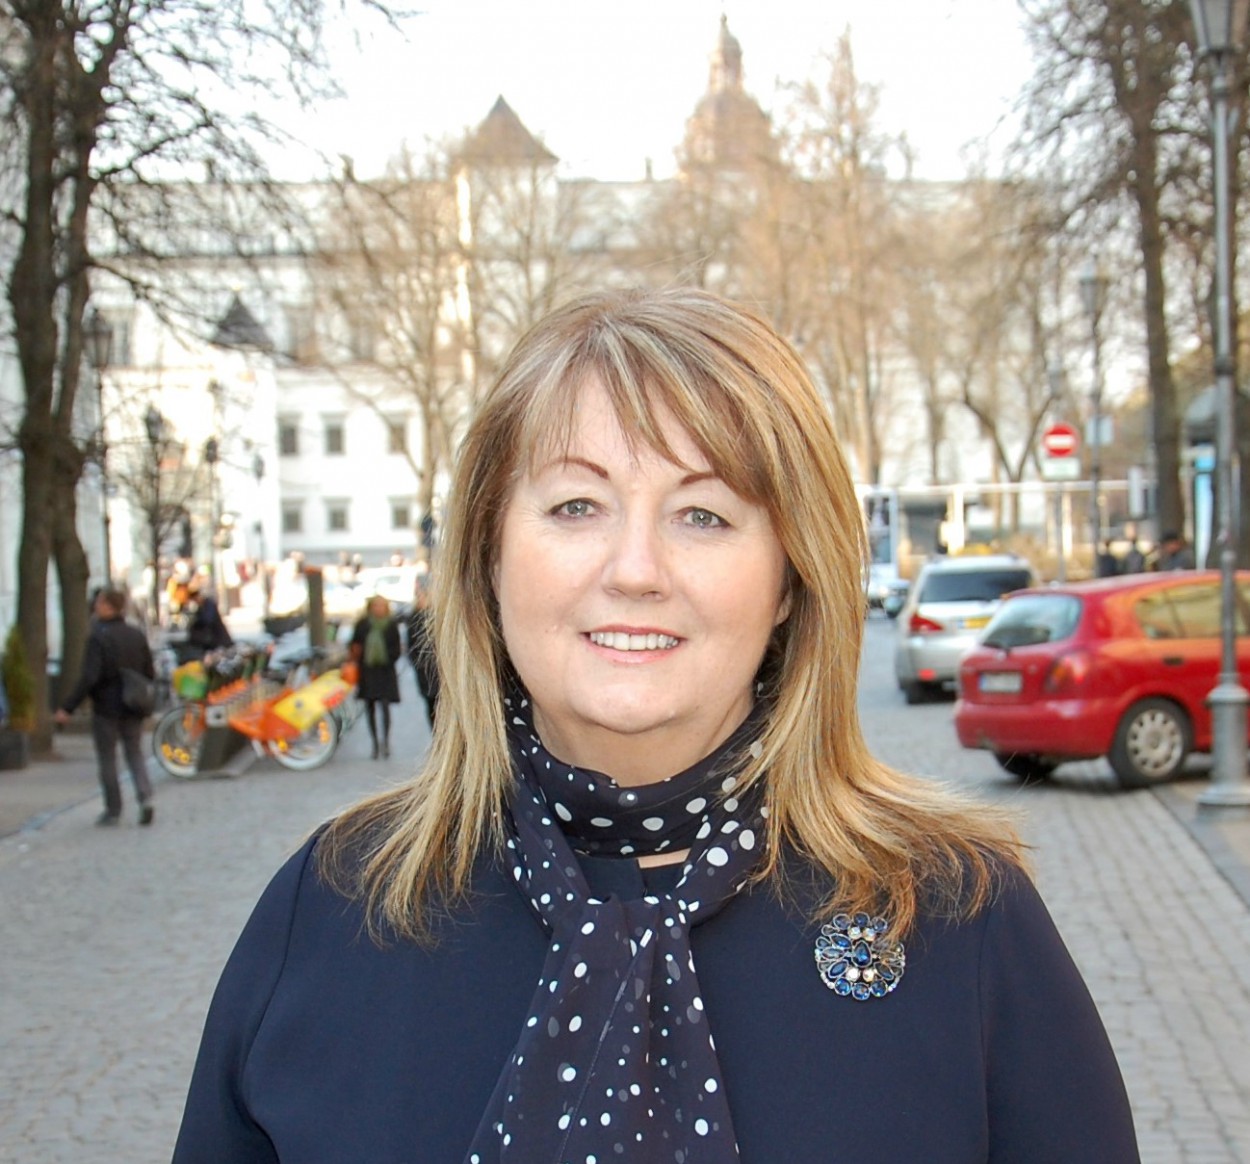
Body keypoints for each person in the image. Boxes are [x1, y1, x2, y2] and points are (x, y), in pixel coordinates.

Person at [173, 289, 1139, 1161]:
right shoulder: (336, 907)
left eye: (703, 515)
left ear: (790, 581)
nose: (634, 569)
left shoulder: (956, 916)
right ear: (488, 559)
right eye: (576, 504)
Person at [54, 588, 157, 827]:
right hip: (133, 705)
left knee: (108, 758)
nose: (95, 607)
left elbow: (90, 677)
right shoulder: (135, 635)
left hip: (106, 707)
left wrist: (68, 707)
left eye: (99, 603)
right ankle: (145, 797)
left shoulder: (98, 638)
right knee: (134, 753)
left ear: (110, 607)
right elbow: (149, 671)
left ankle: (113, 809)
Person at [349, 594, 402, 759]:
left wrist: (387, 657)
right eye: (375, 606)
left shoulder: (391, 625)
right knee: (369, 707)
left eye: (381, 606)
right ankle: (375, 743)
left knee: (385, 707)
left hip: (385, 672)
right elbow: (354, 644)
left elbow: (397, 648)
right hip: (367, 672)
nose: (378, 609)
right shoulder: (363, 624)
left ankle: (385, 741)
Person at [404, 573, 439, 728]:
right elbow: (411, 646)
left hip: (440, 670)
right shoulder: (414, 618)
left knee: (442, 705)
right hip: (424, 671)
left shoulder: (438, 615)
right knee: (431, 704)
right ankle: (436, 735)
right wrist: (418, 664)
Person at [183, 579, 234, 659]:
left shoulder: (209, 604)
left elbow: (207, 619)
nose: (196, 602)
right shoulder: (201, 607)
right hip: (212, 640)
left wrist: (197, 622)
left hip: (218, 638)